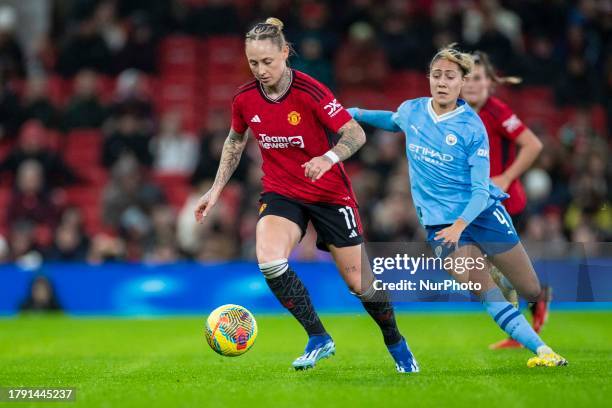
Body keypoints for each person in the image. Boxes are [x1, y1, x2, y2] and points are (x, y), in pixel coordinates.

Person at [194, 17, 418, 373]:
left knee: (361, 284)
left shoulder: (311, 91)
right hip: (282, 192)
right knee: (268, 258)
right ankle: (318, 337)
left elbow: (355, 134)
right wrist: (215, 189)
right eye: (253, 63)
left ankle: (395, 340)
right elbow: (235, 140)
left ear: (285, 53)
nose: (261, 70)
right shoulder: (244, 98)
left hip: (330, 194)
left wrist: (328, 158)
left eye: (267, 61)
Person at [348, 44, 567, 367]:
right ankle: (543, 351)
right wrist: (355, 113)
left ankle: (513, 283)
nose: (442, 82)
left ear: (461, 83)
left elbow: (481, 191)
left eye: (450, 76)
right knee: (485, 291)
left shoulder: (471, 127)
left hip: (483, 216)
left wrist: (461, 225)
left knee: (530, 289)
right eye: (436, 75)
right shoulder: (413, 110)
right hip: (441, 227)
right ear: (429, 79)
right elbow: (394, 121)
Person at [461, 51, 549, 349]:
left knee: (502, 273)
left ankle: (534, 304)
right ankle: (519, 327)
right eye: (467, 78)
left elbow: (533, 144)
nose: (472, 84)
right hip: (478, 207)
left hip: (506, 205)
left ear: (490, 83)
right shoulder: (457, 113)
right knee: (495, 276)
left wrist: (506, 177)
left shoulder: (496, 111)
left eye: (478, 78)